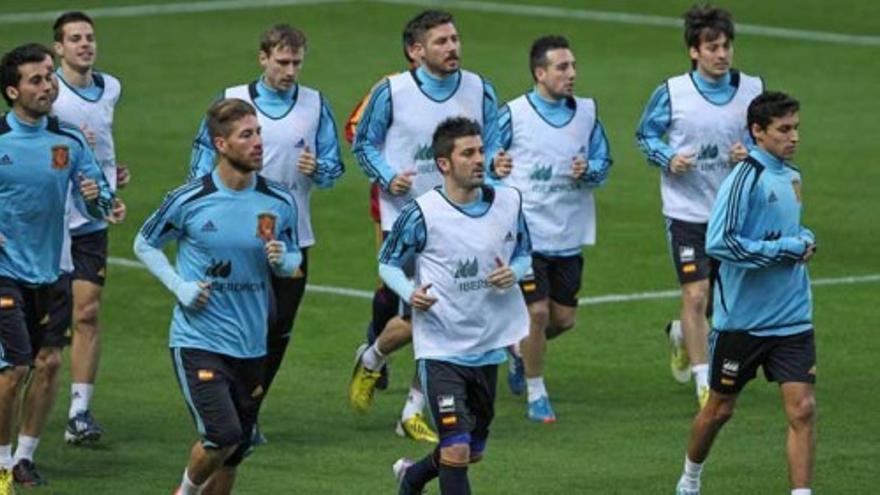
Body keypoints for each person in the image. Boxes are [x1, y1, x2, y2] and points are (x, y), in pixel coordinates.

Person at [349, 9, 504, 441]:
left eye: (455, 39)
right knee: (428, 313)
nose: (452, 47)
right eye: (441, 41)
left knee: (456, 312)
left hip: (466, 215)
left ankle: (411, 409)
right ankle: (373, 359)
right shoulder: (392, 92)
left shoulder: (479, 88)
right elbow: (363, 143)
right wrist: (386, 176)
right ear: (416, 51)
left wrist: (495, 166)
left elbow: (493, 143)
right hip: (409, 215)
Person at [135, 98, 302, 495]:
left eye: (259, 132)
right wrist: (180, 286)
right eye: (247, 135)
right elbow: (144, 243)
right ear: (221, 145)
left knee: (235, 450)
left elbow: (293, 257)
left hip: (251, 344)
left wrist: (282, 260)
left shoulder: (279, 201)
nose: (259, 142)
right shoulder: (189, 199)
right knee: (221, 434)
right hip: (199, 340)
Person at [189, 24, 343, 432]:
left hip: (292, 239)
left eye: (297, 62)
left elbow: (334, 167)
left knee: (277, 332)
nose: (291, 71)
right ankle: (228, 410)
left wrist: (320, 168)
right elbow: (201, 158)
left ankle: (249, 410)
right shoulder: (233, 100)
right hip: (235, 238)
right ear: (263, 58)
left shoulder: (314, 105)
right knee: (239, 326)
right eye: (282, 62)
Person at [675, 91, 816, 495]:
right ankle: (690, 479)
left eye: (796, 128)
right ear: (758, 132)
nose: (794, 138)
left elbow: (786, 233)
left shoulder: (793, 177)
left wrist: (803, 240)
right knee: (719, 410)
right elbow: (720, 243)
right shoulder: (744, 178)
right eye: (784, 130)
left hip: (792, 315)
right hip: (743, 322)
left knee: (803, 409)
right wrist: (782, 249)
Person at [387, 117, 530, 494]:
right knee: (455, 449)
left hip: (487, 347)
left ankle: (411, 477)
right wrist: (409, 291)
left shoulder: (508, 200)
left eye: (481, 151)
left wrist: (514, 271)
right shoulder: (421, 213)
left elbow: (525, 253)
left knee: (470, 452)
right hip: (441, 348)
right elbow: (387, 262)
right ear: (444, 164)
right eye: (468, 153)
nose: (479, 159)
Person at [635, 4, 763, 408]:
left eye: (726, 46)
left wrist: (753, 150)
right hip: (687, 211)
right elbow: (645, 136)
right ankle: (704, 382)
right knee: (696, 295)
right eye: (712, 47)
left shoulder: (751, 89)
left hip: (734, 212)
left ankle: (681, 334)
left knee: (726, 304)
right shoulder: (673, 92)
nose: (722, 54)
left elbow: (767, 135)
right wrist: (667, 158)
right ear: (694, 51)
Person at [0, 42, 114, 493]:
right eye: (37, 79)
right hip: (5, 270)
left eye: (49, 76)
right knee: (14, 369)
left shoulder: (67, 140)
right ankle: (2, 462)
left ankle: (25, 457)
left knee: (47, 364)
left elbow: (102, 199)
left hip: (54, 268)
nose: (48, 86)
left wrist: (96, 195)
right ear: (13, 91)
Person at [498, 35, 612, 422]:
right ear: (539, 73)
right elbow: (484, 161)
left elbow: (603, 160)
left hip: (568, 233)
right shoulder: (513, 114)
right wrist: (495, 176)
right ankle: (536, 393)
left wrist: (590, 170)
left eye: (574, 66)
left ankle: (517, 351)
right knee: (538, 313)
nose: (572, 74)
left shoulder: (587, 113)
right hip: (527, 234)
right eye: (563, 67)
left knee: (563, 320)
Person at [47, 10, 130, 447]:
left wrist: (113, 176)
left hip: (92, 216)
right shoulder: (48, 92)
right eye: (75, 38)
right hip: (50, 222)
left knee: (88, 311)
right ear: (58, 48)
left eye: (89, 37)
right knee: (39, 324)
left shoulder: (110, 87)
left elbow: (99, 141)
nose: (85, 44)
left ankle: (79, 411)